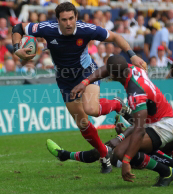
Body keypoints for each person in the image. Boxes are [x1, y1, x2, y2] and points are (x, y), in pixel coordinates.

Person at [11, 2, 146, 174]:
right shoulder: (46, 28)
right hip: (65, 79)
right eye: (64, 20)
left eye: (71, 19)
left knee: (92, 109)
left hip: (86, 73)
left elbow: (116, 37)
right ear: (57, 20)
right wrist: (17, 49)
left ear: (76, 17)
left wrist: (132, 56)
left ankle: (118, 105)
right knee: (82, 123)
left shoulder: (87, 29)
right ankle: (104, 155)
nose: (68, 23)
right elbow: (17, 27)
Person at [70, 55, 173, 184]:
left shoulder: (135, 93)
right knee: (137, 147)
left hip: (164, 124)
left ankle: (167, 173)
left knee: (122, 151)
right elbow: (106, 69)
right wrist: (85, 83)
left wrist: (126, 161)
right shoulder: (131, 69)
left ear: (113, 75)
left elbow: (139, 130)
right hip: (161, 118)